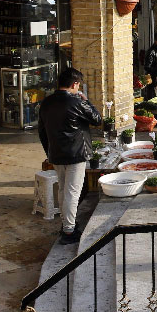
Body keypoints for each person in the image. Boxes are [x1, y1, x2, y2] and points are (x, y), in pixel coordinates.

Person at [38, 67, 102, 244]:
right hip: (75, 154)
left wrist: (49, 151)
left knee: (63, 189)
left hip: (56, 153)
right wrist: (86, 101)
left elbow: (42, 132)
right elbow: (97, 119)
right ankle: (68, 230)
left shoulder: (46, 102)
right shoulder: (76, 102)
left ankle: (66, 223)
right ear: (75, 84)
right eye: (78, 86)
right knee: (72, 192)